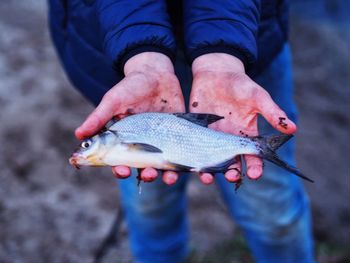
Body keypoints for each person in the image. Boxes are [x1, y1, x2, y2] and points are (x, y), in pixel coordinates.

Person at [49, 0, 314, 262]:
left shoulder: (121, 135)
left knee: (272, 212)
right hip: (125, 63)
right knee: (150, 211)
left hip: (244, 45)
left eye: (86, 146)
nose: (83, 149)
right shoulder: (122, 132)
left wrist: (222, 55)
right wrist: (142, 57)